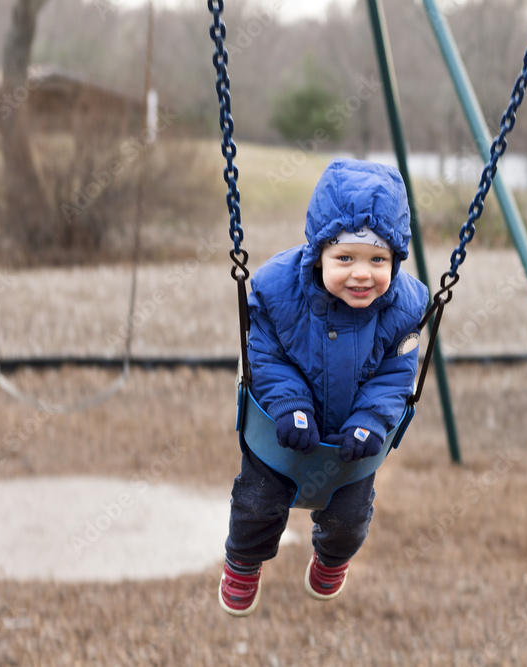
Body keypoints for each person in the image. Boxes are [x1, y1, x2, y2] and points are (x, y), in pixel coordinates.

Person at [219, 158, 429, 617]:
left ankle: (331, 563)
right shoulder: (280, 293)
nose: (362, 273)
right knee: (256, 505)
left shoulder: (403, 310)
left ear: (396, 259)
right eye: (345, 258)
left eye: (378, 260)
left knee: (349, 522)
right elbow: (266, 356)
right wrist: (291, 405)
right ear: (319, 255)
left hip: (352, 445)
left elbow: (395, 376)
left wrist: (371, 420)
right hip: (283, 431)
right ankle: (243, 564)